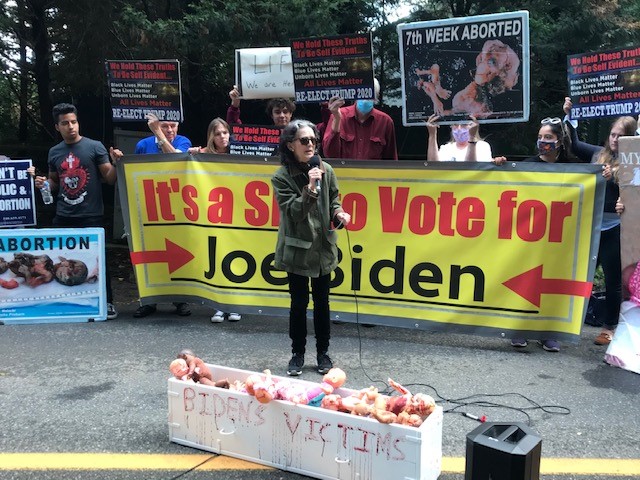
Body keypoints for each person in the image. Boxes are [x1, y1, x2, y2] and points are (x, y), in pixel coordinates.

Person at [271, 119, 351, 376]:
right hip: (297, 250)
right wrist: (310, 187)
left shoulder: (325, 168)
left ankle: (323, 352)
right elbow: (294, 212)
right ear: (290, 144)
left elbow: (334, 199)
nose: (310, 145)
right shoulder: (281, 177)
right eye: (304, 141)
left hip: (323, 248)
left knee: (322, 302)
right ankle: (297, 353)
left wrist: (339, 214)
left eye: (313, 141)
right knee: (298, 303)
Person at [33, 103, 120, 319]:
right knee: (59, 260)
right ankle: (63, 300)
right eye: (65, 123)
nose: (71, 126)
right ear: (57, 127)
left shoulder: (94, 147)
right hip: (63, 215)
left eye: (73, 122)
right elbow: (55, 183)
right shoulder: (55, 152)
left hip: (90, 214)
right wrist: (43, 183)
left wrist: (117, 163)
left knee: (99, 259)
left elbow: (109, 179)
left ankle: (107, 302)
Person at [563, 97, 637, 346]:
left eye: (621, 136)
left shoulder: (633, 163)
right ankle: (568, 322)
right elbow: (573, 144)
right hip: (592, 227)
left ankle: (609, 327)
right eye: (613, 134)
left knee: (613, 279)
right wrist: (570, 115)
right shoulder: (597, 154)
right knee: (582, 276)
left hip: (616, 228)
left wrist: (615, 177)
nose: (615, 139)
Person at [510, 116, 578, 352]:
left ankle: (548, 332)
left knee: (551, 284)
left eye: (548, 137)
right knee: (525, 280)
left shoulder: (573, 167)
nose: (542, 142)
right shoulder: (528, 164)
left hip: (558, 236)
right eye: (539, 137)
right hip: (531, 236)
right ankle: (519, 329)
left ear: (559, 141)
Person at [131, 113, 192, 318]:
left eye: (173, 126)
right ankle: (148, 301)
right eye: (164, 126)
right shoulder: (142, 145)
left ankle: (180, 299)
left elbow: (177, 158)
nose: (170, 130)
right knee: (147, 254)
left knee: (180, 254)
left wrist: (158, 133)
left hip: (175, 206)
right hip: (148, 206)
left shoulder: (183, 141)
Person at [188, 118, 242, 323]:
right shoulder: (201, 155)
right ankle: (218, 306)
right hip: (211, 215)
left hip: (235, 213)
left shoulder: (240, 154)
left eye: (225, 133)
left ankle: (235, 305)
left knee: (235, 259)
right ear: (211, 136)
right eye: (218, 133)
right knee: (215, 259)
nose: (222, 137)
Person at [323, 78, 398, 161]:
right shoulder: (338, 115)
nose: (365, 99)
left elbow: (391, 160)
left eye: (369, 95)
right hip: (344, 173)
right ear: (355, 95)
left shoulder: (385, 122)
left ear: (376, 98)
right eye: (362, 94)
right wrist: (337, 120)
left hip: (372, 173)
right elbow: (329, 155)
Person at [426, 114, 506, 163]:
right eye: (455, 124)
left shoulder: (482, 146)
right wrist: (432, 134)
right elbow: (433, 166)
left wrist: (472, 137)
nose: (459, 128)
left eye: (464, 124)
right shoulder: (446, 148)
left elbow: (470, 169)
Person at [227, 85, 295, 128]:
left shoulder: (299, 134)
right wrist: (235, 103)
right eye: (277, 112)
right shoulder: (264, 135)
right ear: (272, 115)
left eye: (285, 112)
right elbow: (235, 128)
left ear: (291, 114)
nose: (282, 115)